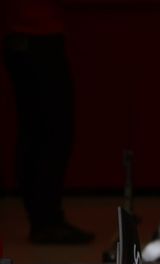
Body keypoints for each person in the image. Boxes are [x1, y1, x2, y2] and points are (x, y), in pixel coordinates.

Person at [2, 0, 93, 244]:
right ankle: (46, 220)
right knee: (53, 131)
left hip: (21, 37)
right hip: (38, 38)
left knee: (35, 131)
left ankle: (42, 217)